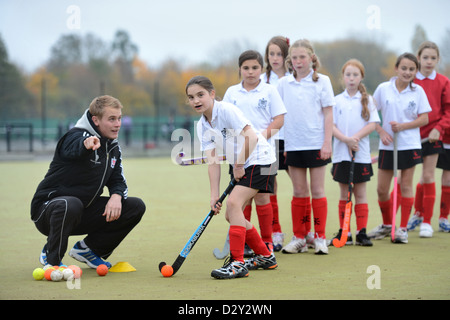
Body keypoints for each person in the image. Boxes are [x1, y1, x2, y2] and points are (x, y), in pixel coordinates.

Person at [31, 95, 146, 269]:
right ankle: (52, 259)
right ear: (96, 120)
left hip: (81, 211)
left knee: (135, 206)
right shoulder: (74, 135)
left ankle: (88, 250)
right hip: (48, 211)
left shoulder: (113, 148)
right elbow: (73, 148)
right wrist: (86, 144)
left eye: (119, 118)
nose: (118, 124)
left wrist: (116, 195)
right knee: (71, 203)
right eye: (112, 119)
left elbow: (118, 180)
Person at [186, 75, 278, 279]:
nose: (196, 101)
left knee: (234, 204)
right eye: (191, 97)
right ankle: (265, 256)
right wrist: (214, 196)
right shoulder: (202, 125)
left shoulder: (226, 110)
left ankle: (237, 263)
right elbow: (212, 162)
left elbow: (252, 137)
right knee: (231, 214)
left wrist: (238, 164)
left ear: (212, 94)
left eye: (200, 95)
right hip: (243, 162)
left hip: (261, 160)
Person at [223, 50, 286, 253]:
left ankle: (267, 241)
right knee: (241, 199)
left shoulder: (270, 90)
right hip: (239, 156)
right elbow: (224, 122)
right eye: (246, 68)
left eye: (255, 68)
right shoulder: (231, 93)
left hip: (266, 153)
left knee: (262, 197)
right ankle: (247, 242)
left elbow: (279, 120)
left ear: (262, 69)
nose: (250, 72)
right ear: (240, 69)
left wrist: (259, 139)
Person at [276, 39, 335, 254]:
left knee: (318, 190)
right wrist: (282, 144)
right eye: (294, 58)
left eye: (302, 57)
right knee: (299, 191)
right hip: (293, 145)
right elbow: (279, 114)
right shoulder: (283, 83)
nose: (298, 61)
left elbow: (329, 113)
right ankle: (300, 237)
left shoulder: (323, 81)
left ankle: (320, 237)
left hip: (316, 144)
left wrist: (327, 142)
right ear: (290, 60)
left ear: (311, 57)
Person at [368, 53, 431, 243]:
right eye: (404, 68)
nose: (407, 72)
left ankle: (402, 228)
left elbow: (424, 118)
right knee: (381, 189)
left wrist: (402, 126)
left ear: (416, 72)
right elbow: (370, 111)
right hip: (387, 145)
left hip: (409, 144)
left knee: (405, 185)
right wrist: (380, 130)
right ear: (396, 68)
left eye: (412, 69)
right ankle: (388, 225)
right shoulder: (383, 88)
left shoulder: (418, 91)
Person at [331, 59, 379, 247]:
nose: (351, 78)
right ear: (343, 77)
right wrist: (345, 140)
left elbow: (373, 124)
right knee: (344, 193)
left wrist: (355, 139)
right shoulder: (336, 100)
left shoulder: (368, 100)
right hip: (341, 154)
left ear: (361, 77)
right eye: (348, 75)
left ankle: (361, 232)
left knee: (360, 193)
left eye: (355, 75)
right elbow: (332, 126)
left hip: (361, 154)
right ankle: (345, 232)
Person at [406, 41, 450, 237]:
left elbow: (448, 110)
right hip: (411, 137)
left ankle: (427, 222)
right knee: (405, 180)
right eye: (425, 57)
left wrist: (439, 129)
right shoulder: (410, 79)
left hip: (434, 136)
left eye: (433, 58)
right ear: (419, 59)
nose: (429, 61)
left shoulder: (443, 82)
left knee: (428, 176)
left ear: (438, 60)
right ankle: (415, 213)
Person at [261, 36, 291, 251]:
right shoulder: (260, 80)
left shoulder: (294, 79)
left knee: (301, 187)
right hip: (269, 142)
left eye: (279, 53)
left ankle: (307, 232)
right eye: (271, 54)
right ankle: (275, 232)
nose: (275, 58)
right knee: (270, 188)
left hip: (292, 141)